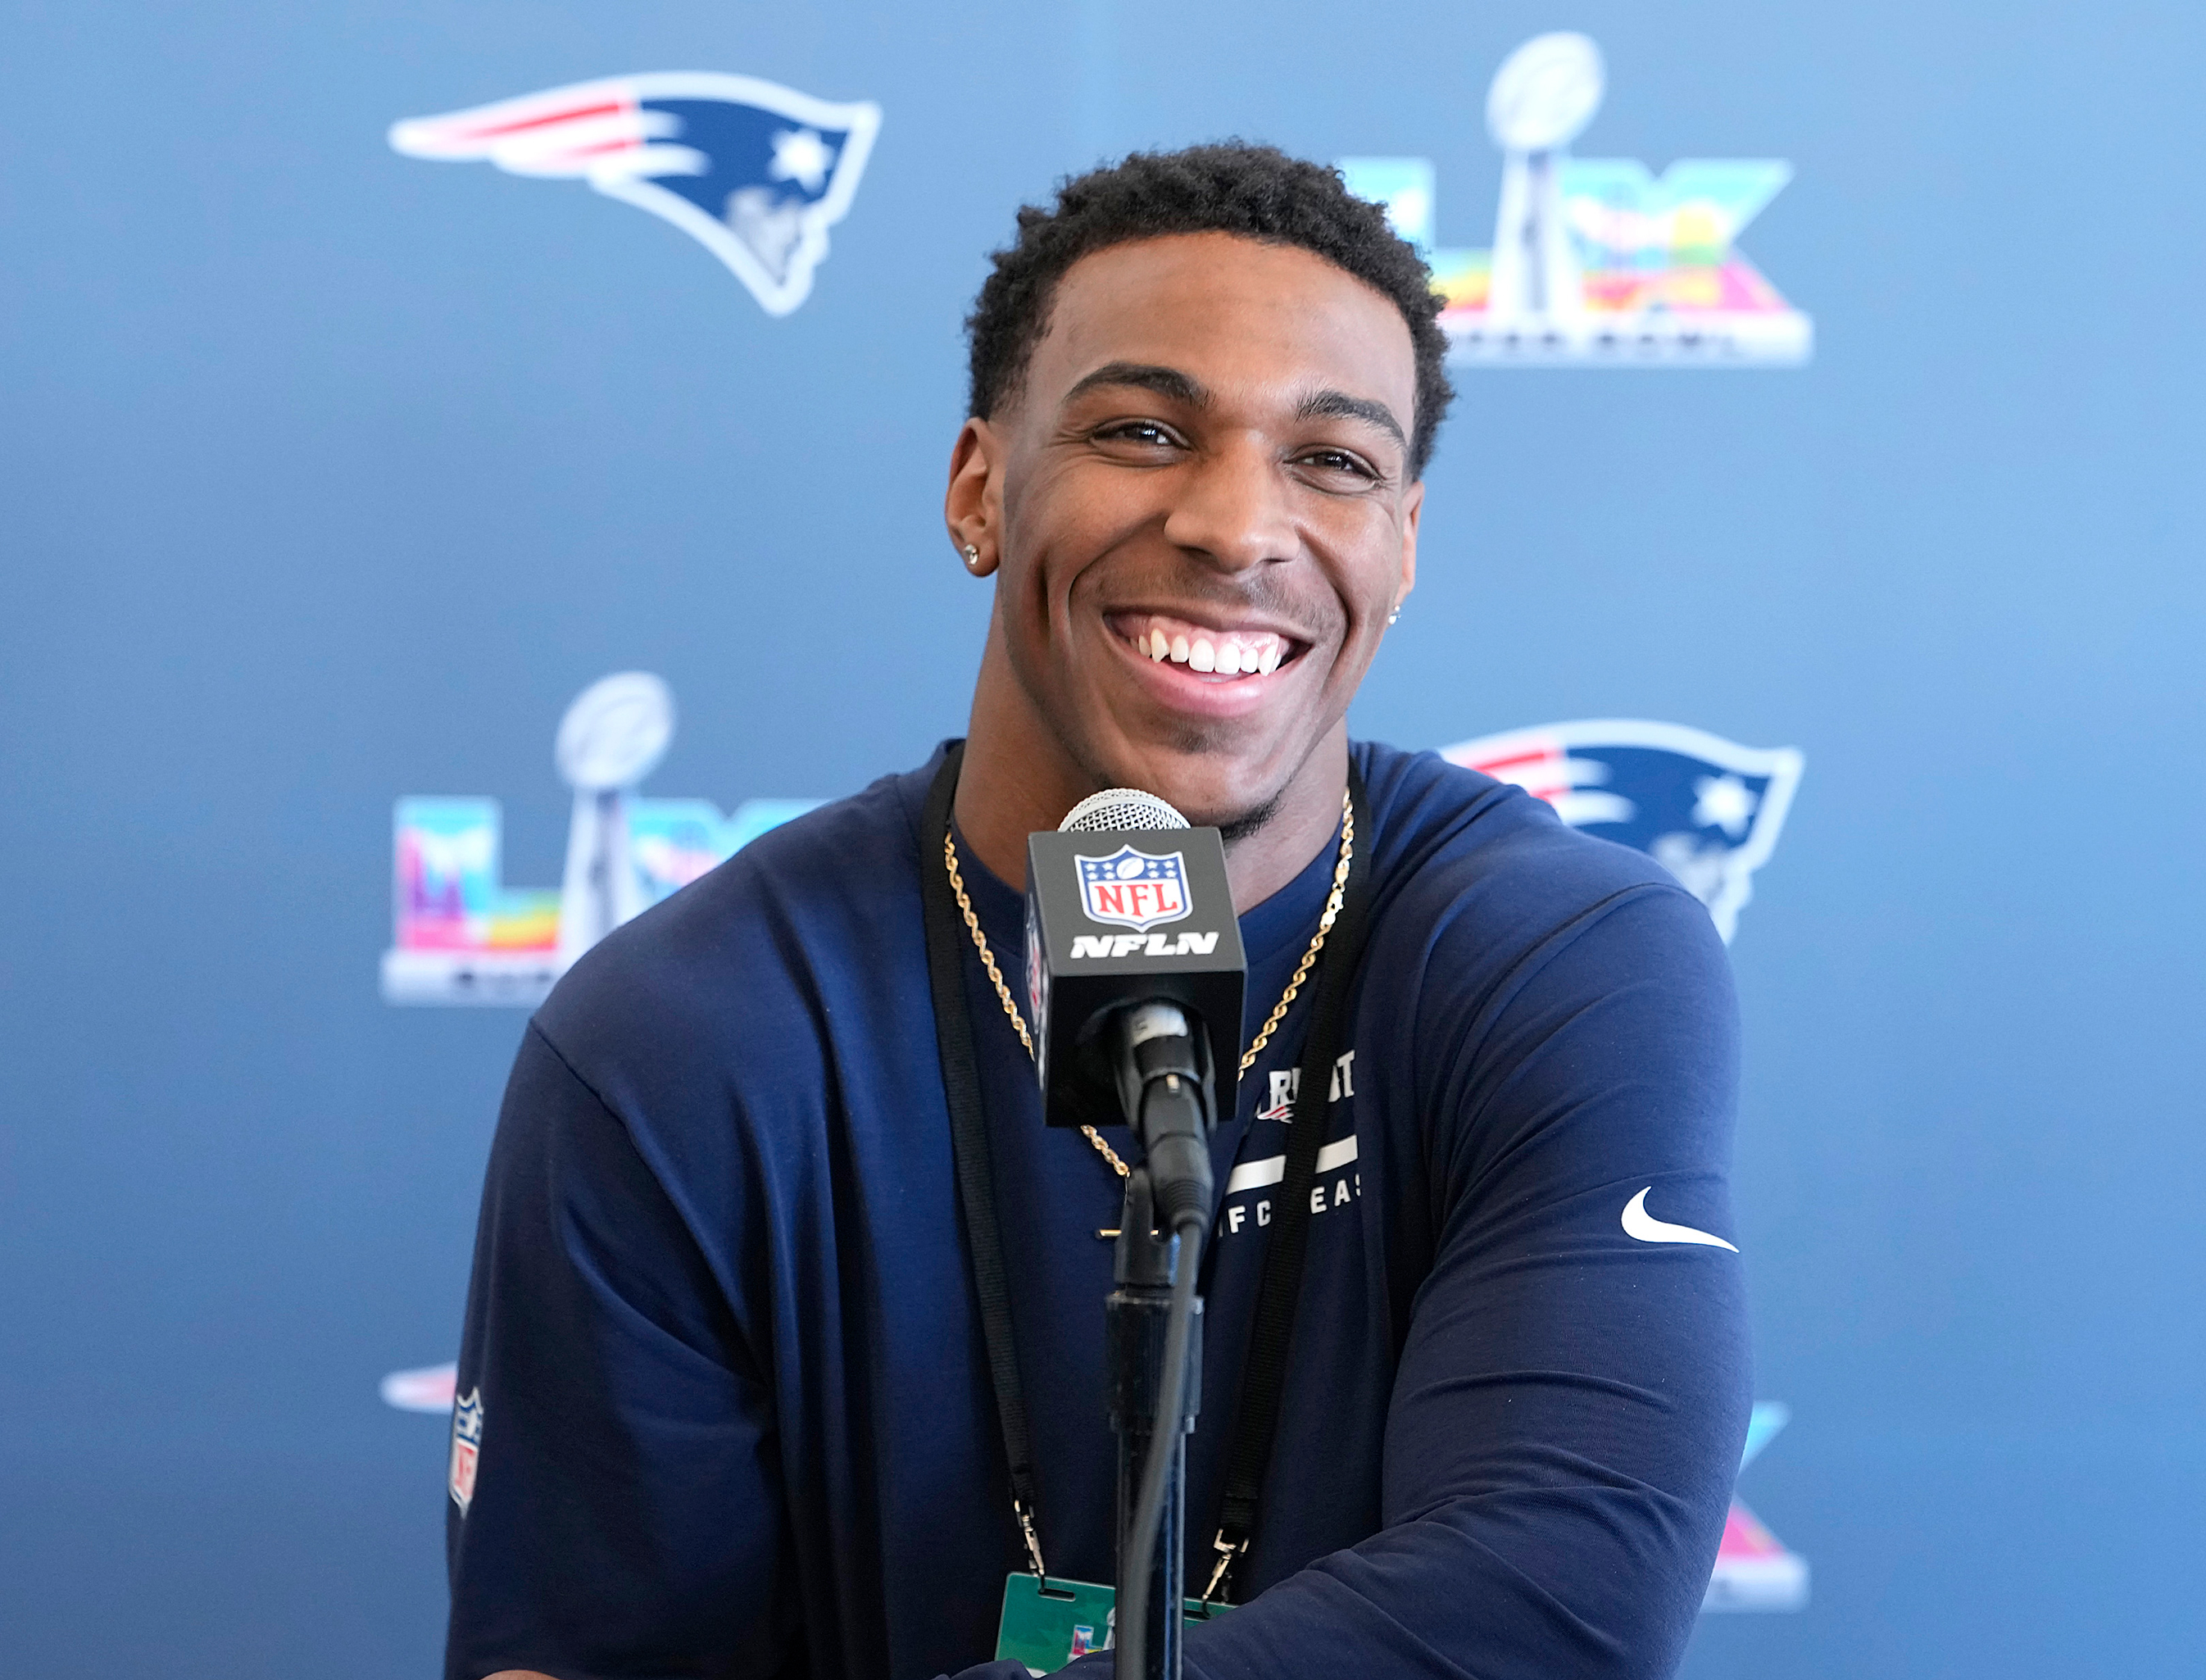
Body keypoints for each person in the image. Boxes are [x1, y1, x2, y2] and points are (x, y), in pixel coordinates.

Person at [444, 143, 1747, 1680]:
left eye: (1333, 461)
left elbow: (1561, 1598)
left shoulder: (1558, 961)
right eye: (1144, 429)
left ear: (1403, 546)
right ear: (980, 486)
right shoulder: (683, 1039)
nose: (1235, 526)